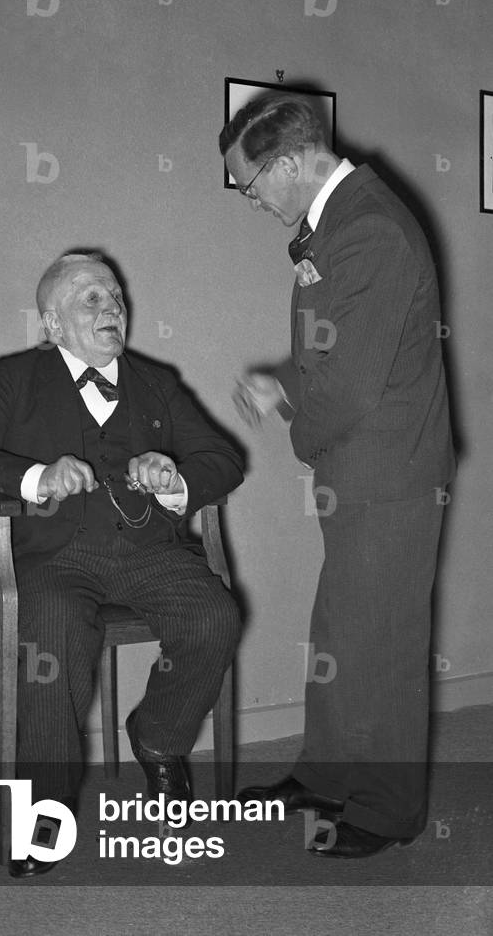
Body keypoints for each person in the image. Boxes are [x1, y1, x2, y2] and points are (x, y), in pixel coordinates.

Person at [0, 250, 243, 877]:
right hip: (54, 557)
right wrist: (36, 476)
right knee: (55, 631)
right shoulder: (17, 377)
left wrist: (174, 476)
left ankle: (158, 739)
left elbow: (222, 458)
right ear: (53, 324)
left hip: (147, 549)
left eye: (115, 296)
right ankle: (43, 809)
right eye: (91, 298)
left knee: (214, 617)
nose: (111, 306)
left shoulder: (156, 381)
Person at [219, 91, 454, 858]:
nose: (251, 199)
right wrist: (284, 381)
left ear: (290, 162)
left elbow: (351, 387)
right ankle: (324, 774)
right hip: (365, 465)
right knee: (341, 628)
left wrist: (298, 426)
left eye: (250, 183)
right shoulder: (345, 218)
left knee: (382, 640)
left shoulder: (370, 227)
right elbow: (343, 347)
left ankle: (386, 809)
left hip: (388, 469)